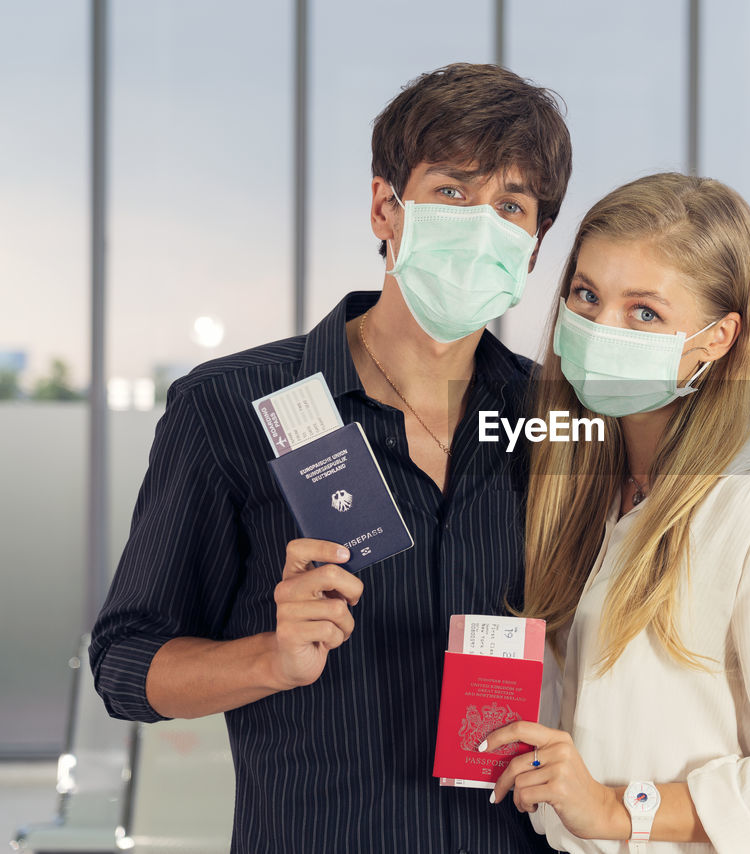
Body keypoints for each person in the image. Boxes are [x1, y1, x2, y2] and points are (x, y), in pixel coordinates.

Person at [90, 63, 571, 853]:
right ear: (386, 206)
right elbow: (124, 666)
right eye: (452, 192)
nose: (482, 225)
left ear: (533, 244)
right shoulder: (230, 407)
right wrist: (269, 661)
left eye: (511, 207)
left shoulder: (553, 422)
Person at [480, 173, 750, 852]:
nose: (601, 326)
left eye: (644, 313)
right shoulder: (580, 492)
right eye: (587, 295)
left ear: (718, 338)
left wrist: (618, 812)